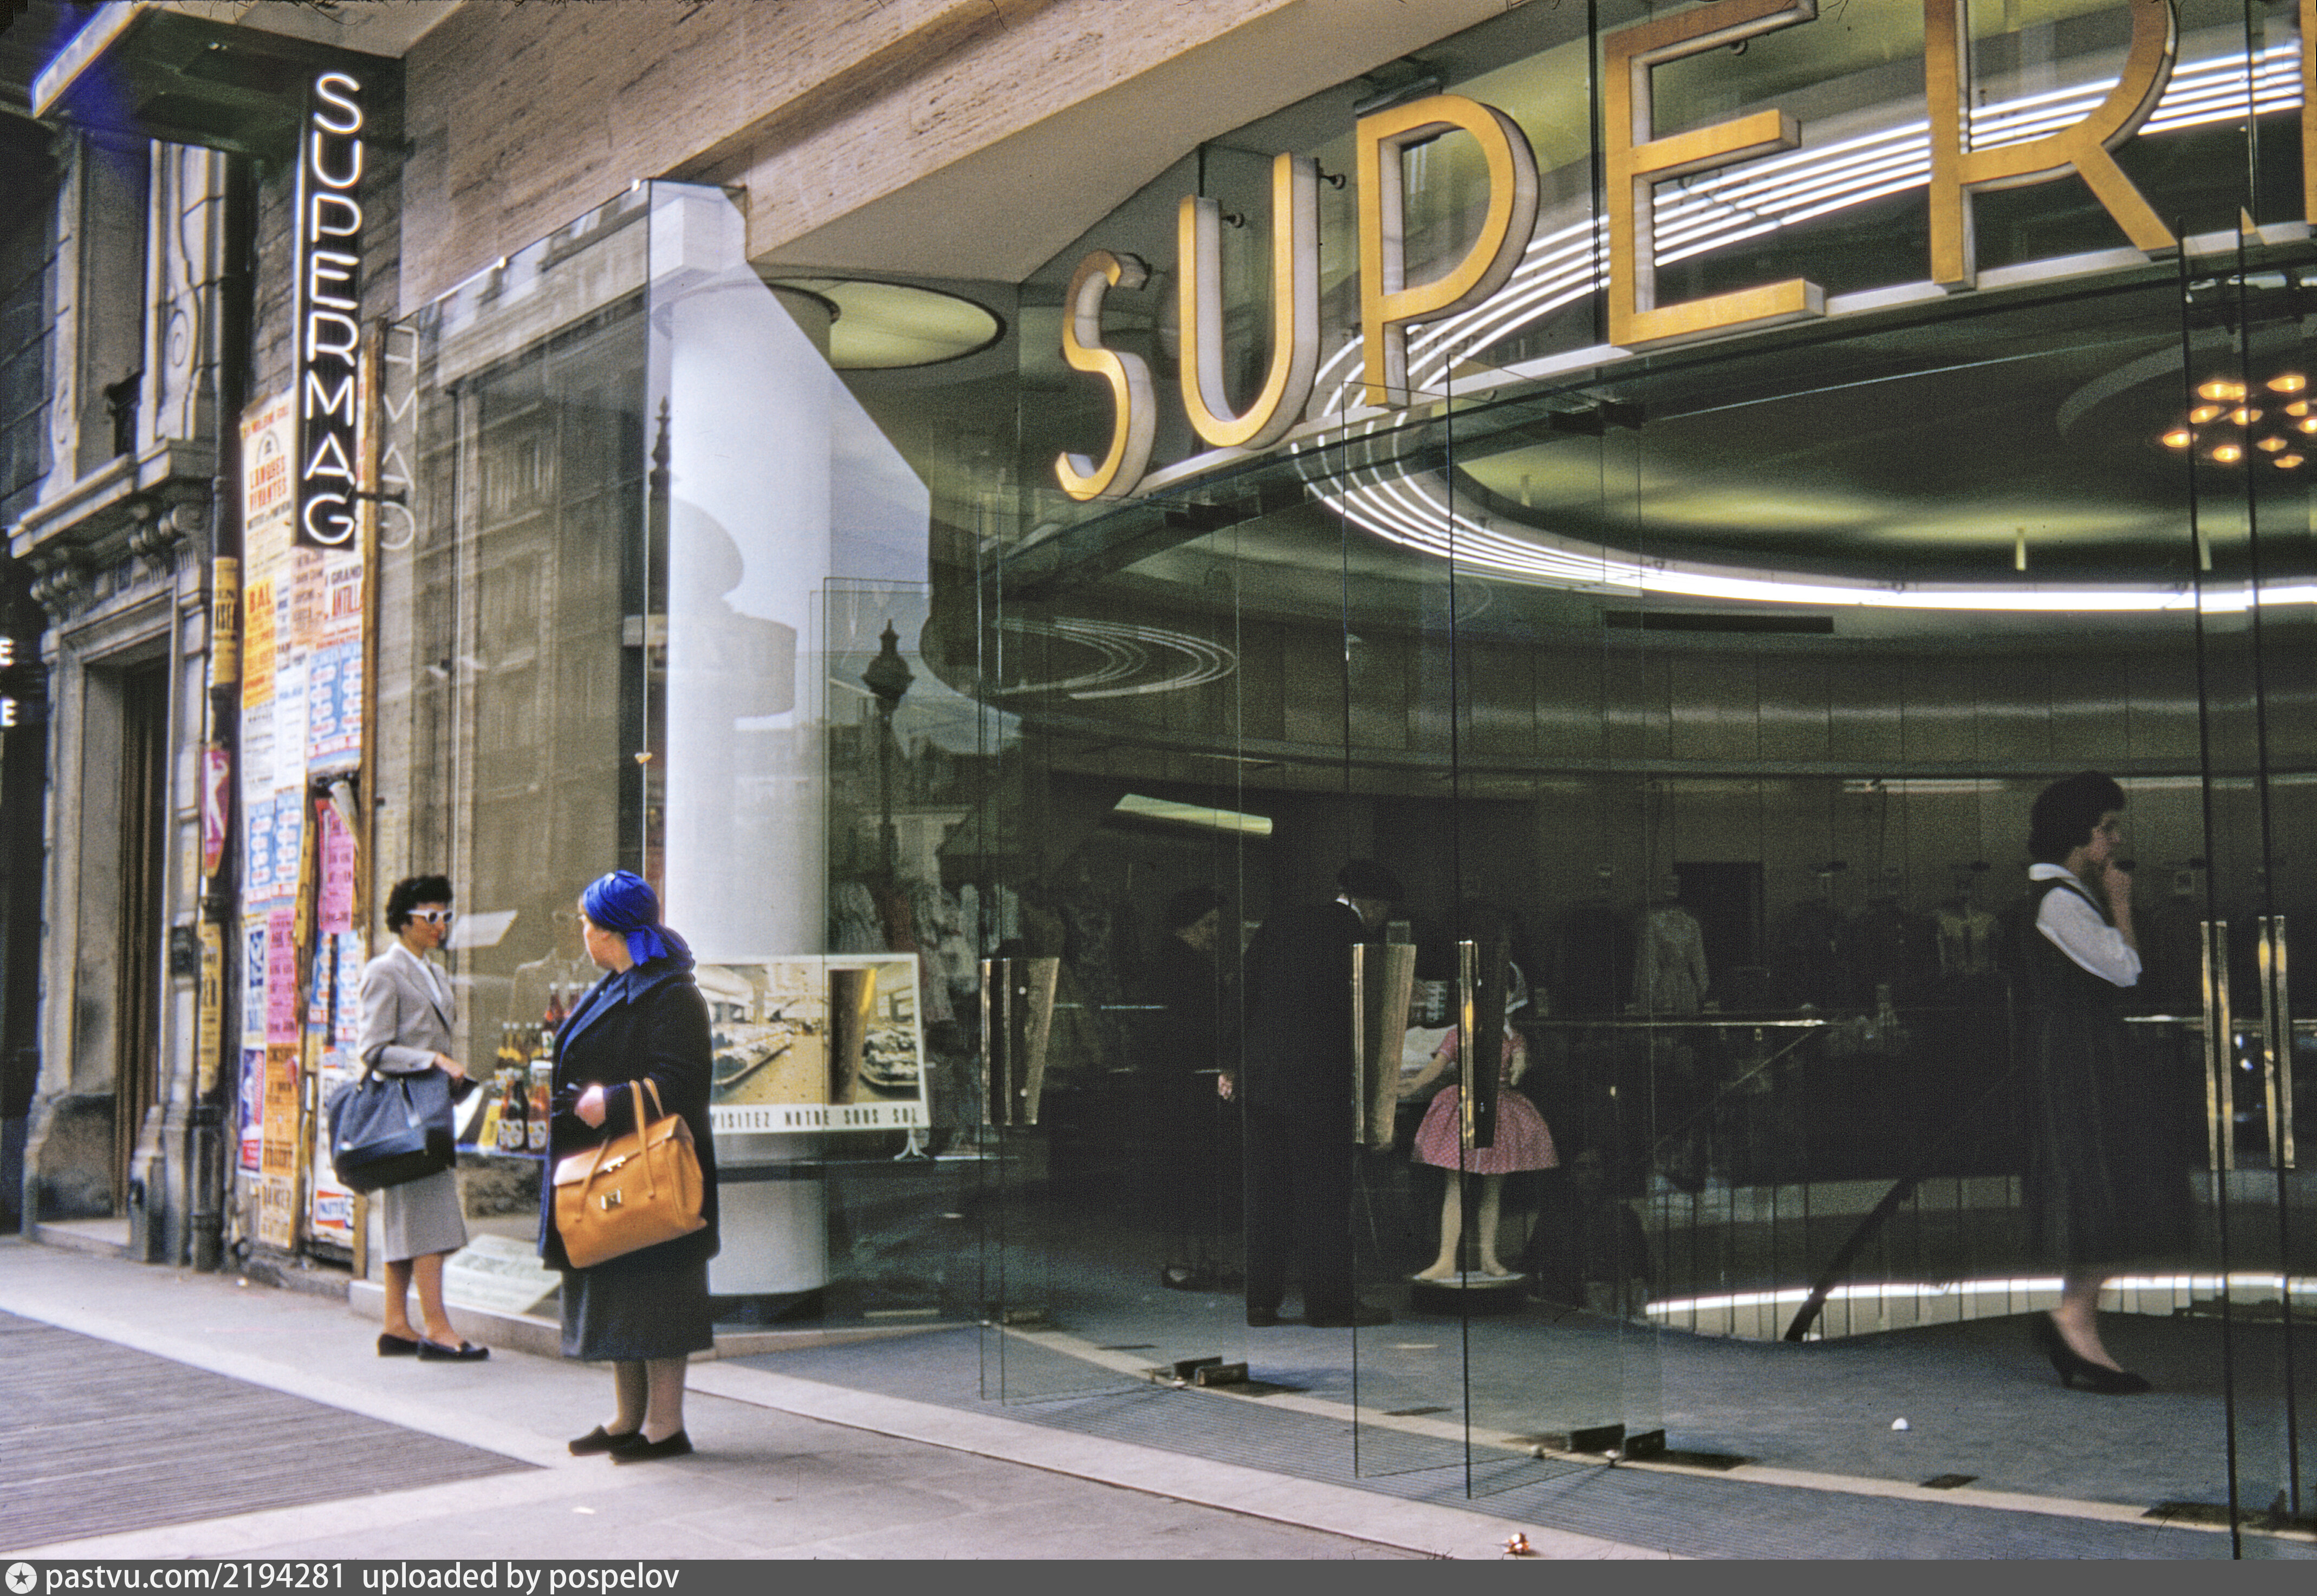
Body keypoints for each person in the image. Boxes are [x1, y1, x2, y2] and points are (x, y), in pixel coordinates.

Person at [544, 871, 721, 1461]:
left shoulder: (672, 993)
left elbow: (684, 1082)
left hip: (654, 1172)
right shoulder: (620, 980)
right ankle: (628, 1418)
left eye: (586, 922)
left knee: (660, 1296)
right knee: (620, 1291)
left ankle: (665, 1427)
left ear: (609, 931)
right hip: (612, 1167)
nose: (582, 932)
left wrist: (612, 1101)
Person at [2019, 772, 2184, 1394]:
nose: (2114, 839)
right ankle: (2073, 1321)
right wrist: (2119, 905)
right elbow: (2125, 971)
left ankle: (2074, 1318)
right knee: (2102, 1183)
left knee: (2100, 1182)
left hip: (2078, 1054)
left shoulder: (2058, 894)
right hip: (2080, 1057)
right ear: (2077, 832)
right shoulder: (2059, 900)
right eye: (2105, 827)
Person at [1234, 860, 1401, 1328]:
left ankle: (1260, 1301)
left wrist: (1234, 1061)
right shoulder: (1357, 939)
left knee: (1266, 1193)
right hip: (1319, 1083)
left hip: (1264, 1079)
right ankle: (1328, 1303)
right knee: (1323, 1196)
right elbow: (1363, 1017)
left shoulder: (1280, 922)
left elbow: (1243, 990)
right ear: (1375, 906)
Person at [358, 875, 486, 1362]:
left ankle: (396, 1323)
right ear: (404, 920)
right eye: (430, 916)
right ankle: (437, 1327)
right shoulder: (385, 971)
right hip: (406, 1110)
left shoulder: (432, 970)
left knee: (406, 1216)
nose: (440, 925)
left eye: (445, 916)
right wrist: (431, 1060)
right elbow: (373, 1049)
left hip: (429, 1107)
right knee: (428, 1216)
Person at [1401, 968, 1557, 1280]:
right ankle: (1447, 1258)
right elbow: (1438, 1065)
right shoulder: (1461, 1033)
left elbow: (1519, 1064)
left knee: (1493, 1187)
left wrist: (1518, 1067)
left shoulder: (1512, 1038)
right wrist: (1412, 1085)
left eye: (1501, 993)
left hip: (1499, 1111)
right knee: (1456, 1184)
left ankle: (1488, 1255)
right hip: (1464, 1107)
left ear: (1511, 997)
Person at [1139, 885, 1237, 1289]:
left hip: (1184, 1079)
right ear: (1186, 925)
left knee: (1194, 1171)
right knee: (1185, 1171)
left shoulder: (1184, 961)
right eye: (1208, 924)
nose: (1215, 933)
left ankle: (1197, 1258)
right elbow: (1180, 1024)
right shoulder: (1178, 965)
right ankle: (1182, 1260)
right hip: (1180, 1081)